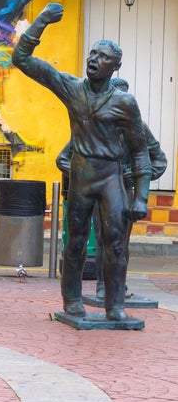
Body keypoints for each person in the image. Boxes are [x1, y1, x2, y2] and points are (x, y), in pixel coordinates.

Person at [12, 2, 151, 321]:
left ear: (114, 67)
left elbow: (140, 150)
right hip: (81, 173)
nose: (93, 60)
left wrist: (140, 196)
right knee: (74, 241)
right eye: (92, 54)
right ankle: (71, 299)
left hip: (111, 177)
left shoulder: (124, 103)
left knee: (115, 243)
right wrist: (42, 21)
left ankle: (114, 304)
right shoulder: (71, 87)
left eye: (102, 58)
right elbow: (21, 59)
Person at [55, 77, 167, 300]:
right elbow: (63, 159)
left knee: (120, 242)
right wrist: (84, 173)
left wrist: (136, 179)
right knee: (102, 239)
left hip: (124, 189)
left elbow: (158, 160)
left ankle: (118, 288)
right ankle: (102, 286)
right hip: (98, 186)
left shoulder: (138, 127)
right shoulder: (93, 126)